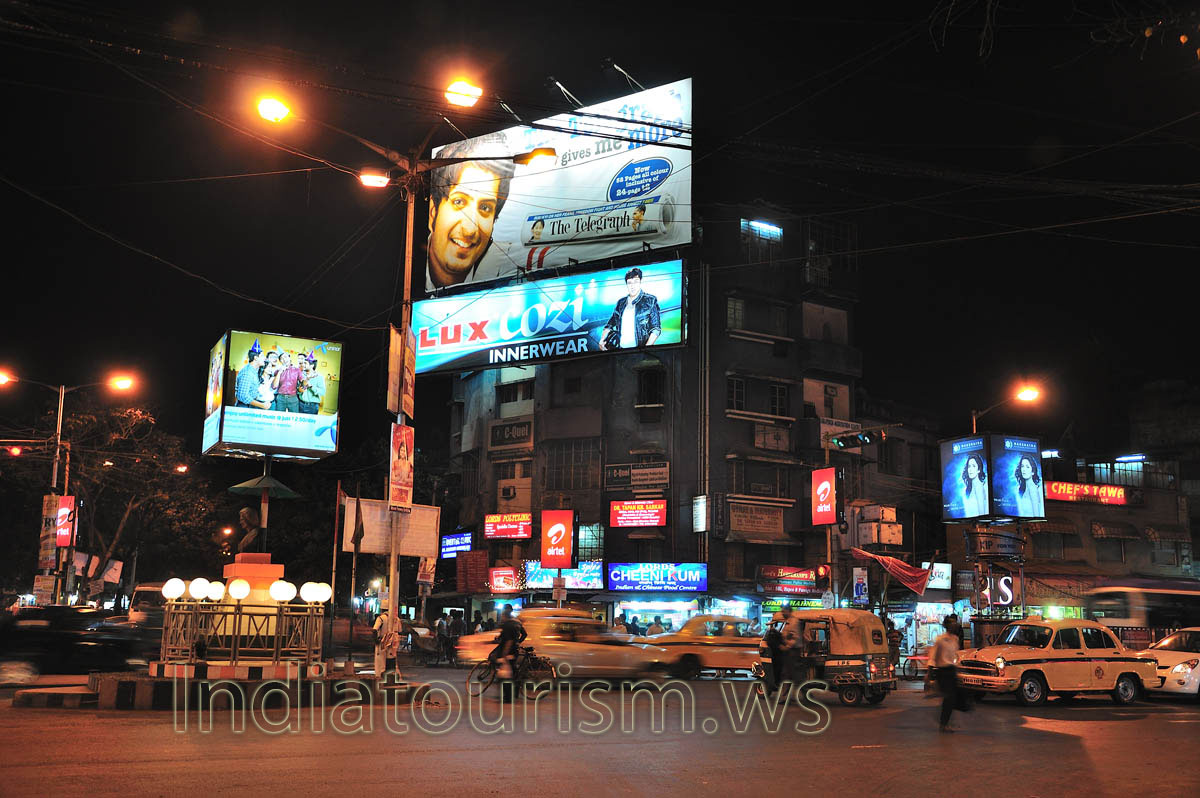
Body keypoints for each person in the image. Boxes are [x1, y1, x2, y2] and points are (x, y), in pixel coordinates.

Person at [426, 132, 516, 289]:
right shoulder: (405, 277)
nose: (469, 230)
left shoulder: (509, 273)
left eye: (485, 207)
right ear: (433, 211)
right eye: (459, 202)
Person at [598, 267, 662, 350]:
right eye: (629, 283)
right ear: (626, 284)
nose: (632, 286)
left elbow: (656, 329)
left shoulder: (650, 300)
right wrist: (602, 340)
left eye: (636, 282)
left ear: (640, 282)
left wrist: (645, 350)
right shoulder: (621, 303)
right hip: (621, 351)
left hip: (639, 352)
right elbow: (610, 324)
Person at [929, 616, 962, 732]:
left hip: (952, 670)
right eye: (951, 624)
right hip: (942, 671)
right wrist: (930, 674)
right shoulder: (940, 640)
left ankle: (945, 721)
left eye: (955, 623)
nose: (954, 625)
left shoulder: (955, 639)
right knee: (949, 697)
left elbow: (955, 656)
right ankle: (943, 724)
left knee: (953, 698)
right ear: (946, 626)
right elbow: (932, 658)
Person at [496, 605, 527, 702]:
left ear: (504, 615)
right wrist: (518, 642)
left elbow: (508, 640)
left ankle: (508, 697)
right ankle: (514, 694)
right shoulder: (517, 622)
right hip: (515, 650)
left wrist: (505, 653)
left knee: (506, 675)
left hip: (508, 651)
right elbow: (525, 634)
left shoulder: (507, 625)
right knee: (513, 672)